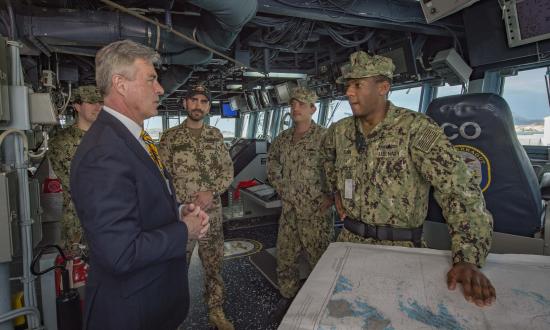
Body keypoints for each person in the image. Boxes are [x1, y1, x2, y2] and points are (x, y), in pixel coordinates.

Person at [322, 50, 495, 307]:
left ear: (383, 87)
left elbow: (459, 190)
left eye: (357, 84)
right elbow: (327, 158)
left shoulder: (416, 129)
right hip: (349, 243)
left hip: (401, 249)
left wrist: (467, 257)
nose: (349, 92)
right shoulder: (340, 131)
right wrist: (336, 191)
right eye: (348, 85)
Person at [70, 39, 209, 330]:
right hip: (132, 312)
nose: (160, 89)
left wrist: (179, 210)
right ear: (120, 84)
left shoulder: (131, 138)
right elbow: (121, 253)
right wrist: (184, 230)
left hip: (152, 303)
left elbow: (141, 200)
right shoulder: (103, 152)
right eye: (151, 79)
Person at [158, 84, 234, 330]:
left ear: (207, 106)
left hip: (211, 213)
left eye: (203, 101)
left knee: (214, 265)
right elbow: (161, 177)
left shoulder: (215, 135)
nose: (198, 105)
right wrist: (179, 204)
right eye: (194, 100)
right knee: (175, 266)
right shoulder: (170, 138)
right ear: (185, 104)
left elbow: (228, 170)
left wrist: (212, 191)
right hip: (182, 215)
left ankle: (216, 310)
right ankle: (172, 315)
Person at [267, 87, 334, 320]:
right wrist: (281, 186)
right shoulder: (283, 138)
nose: (295, 108)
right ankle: (287, 298)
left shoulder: (325, 137)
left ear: (313, 108)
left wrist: (333, 196)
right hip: (289, 210)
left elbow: (338, 168)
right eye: (293, 104)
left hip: (316, 211)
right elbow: (272, 162)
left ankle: (323, 303)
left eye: (302, 104)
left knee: (320, 260)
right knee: (285, 257)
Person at [48, 85, 102, 257]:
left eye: (100, 102)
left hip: (109, 219)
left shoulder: (108, 137)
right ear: (77, 106)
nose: (98, 107)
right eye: (92, 102)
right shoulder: (62, 141)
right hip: (78, 223)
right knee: (77, 274)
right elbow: (73, 181)